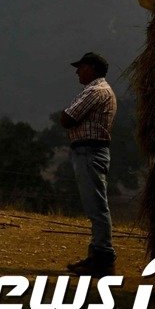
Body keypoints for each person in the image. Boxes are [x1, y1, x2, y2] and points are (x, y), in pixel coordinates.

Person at [60, 51, 118, 274]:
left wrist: (65, 115)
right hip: (91, 150)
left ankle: (103, 256)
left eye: (81, 67)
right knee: (95, 204)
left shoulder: (96, 91)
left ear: (92, 68)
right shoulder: (100, 91)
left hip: (89, 150)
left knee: (96, 206)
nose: (77, 71)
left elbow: (68, 118)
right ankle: (98, 254)